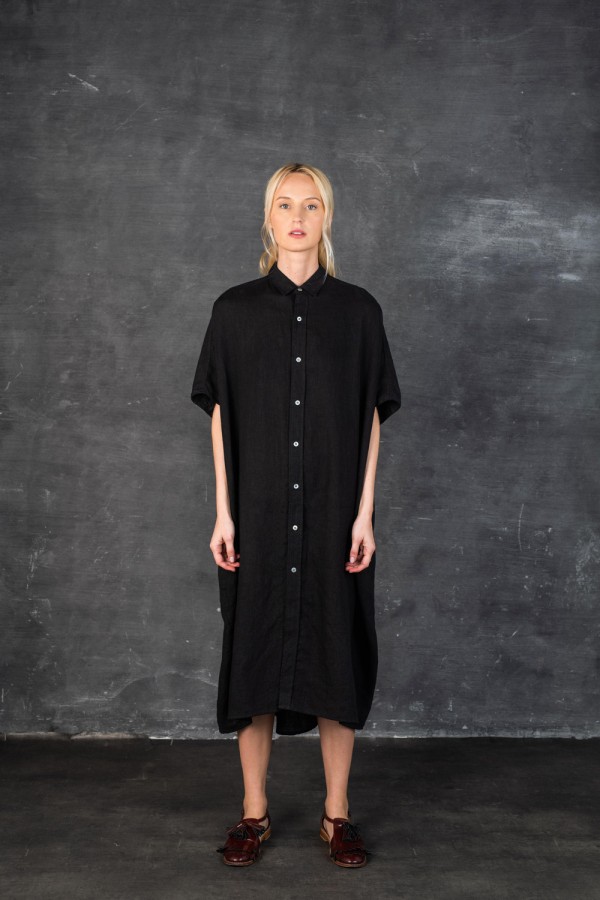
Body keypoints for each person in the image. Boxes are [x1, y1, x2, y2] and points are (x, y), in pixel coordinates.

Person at [191, 163, 402, 868]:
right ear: (269, 217)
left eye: (311, 205)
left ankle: (337, 813)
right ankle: (252, 812)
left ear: (327, 216)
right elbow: (220, 416)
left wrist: (364, 514)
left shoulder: (359, 312)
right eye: (286, 205)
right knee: (252, 651)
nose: (298, 217)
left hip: (335, 515)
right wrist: (223, 512)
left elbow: (372, 417)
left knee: (336, 654)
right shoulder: (234, 311)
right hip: (255, 514)